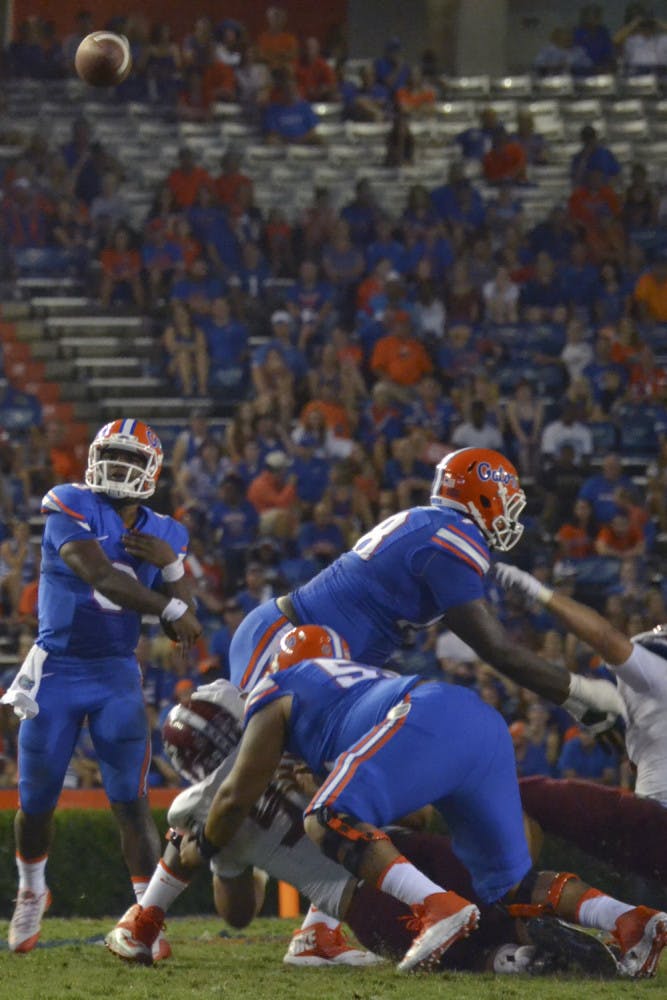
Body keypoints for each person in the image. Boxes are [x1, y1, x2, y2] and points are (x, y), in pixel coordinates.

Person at [179, 626, 666, 976]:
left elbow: (232, 800)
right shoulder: (356, 691)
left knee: (327, 815)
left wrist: (201, 846)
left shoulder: (277, 694)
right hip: (469, 718)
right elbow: (417, 812)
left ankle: (452, 919)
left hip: (414, 743)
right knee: (511, 882)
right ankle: (629, 920)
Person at [105, 679, 618, 976]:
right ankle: (613, 920)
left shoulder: (196, 806)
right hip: (403, 850)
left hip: (362, 903)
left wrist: (222, 855)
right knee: (508, 895)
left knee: (474, 955)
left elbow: (237, 912)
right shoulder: (302, 734)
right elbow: (413, 814)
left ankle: (517, 959)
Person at [229, 447, 626, 739]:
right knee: (240, 777)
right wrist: (580, 692)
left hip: (317, 654)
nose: (509, 517)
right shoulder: (452, 537)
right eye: (505, 504)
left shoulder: (436, 525)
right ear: (483, 497)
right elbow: (496, 649)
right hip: (288, 644)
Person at [1, 419, 202, 955]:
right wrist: (171, 601)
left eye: (130, 459)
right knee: (37, 801)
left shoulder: (165, 530)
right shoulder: (68, 501)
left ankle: (146, 916)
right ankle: (31, 892)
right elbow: (100, 575)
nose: (117, 467)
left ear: (151, 471)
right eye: (110, 454)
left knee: (131, 804)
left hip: (115, 674)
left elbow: (186, 622)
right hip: (58, 671)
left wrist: (174, 564)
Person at [495, 561, 667, 883]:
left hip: (653, 826)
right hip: (648, 828)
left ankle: (519, 896)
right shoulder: (632, 700)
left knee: (525, 795)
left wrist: (537, 590)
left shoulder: (653, 673)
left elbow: (603, 636)